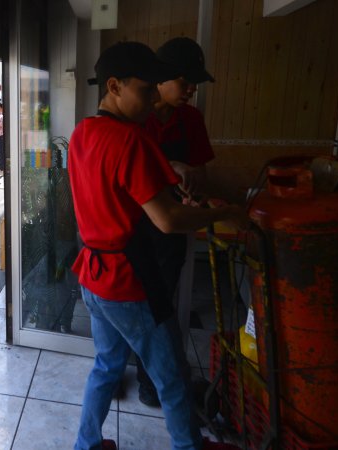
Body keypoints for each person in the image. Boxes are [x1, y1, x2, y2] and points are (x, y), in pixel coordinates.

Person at [69, 41, 246, 450]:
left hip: (93, 277)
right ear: (114, 86)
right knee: (172, 378)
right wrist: (223, 213)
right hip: (129, 283)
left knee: (107, 365)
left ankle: (86, 445)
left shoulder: (83, 132)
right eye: (146, 90)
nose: (152, 100)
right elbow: (167, 219)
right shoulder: (130, 140)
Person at [134, 36, 217, 408]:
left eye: (194, 83)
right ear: (162, 79)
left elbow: (199, 166)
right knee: (137, 304)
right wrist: (171, 168)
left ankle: (154, 379)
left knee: (160, 304)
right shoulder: (136, 118)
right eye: (185, 82)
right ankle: (145, 378)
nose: (191, 90)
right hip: (136, 225)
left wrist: (192, 183)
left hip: (173, 226)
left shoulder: (191, 120)